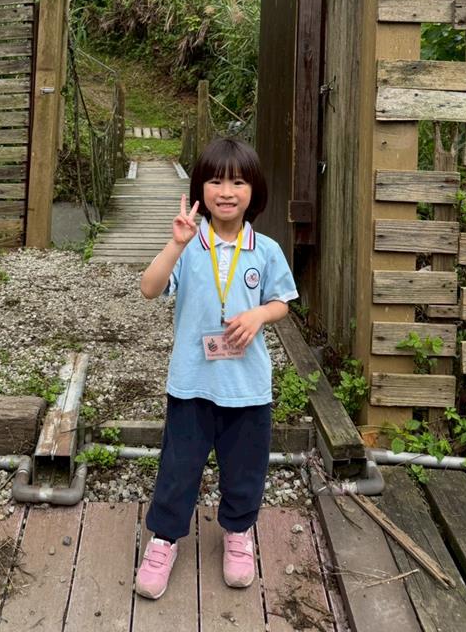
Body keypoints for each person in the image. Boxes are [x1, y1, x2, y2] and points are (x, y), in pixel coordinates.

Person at [135, 137, 298, 600]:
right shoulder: (189, 244)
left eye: (238, 182)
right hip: (191, 382)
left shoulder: (265, 250)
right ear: (200, 189)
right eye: (216, 181)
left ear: (254, 190)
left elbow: (282, 302)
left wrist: (259, 314)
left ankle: (238, 533)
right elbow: (149, 288)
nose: (227, 192)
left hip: (247, 386)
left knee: (245, 466)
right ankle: (164, 540)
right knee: (179, 466)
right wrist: (175, 243)